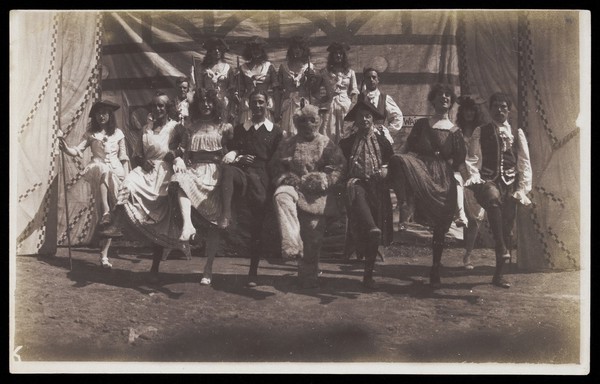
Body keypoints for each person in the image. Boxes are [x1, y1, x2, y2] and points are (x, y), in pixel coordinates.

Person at [387, 83, 466, 288]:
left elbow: (459, 160)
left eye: (448, 96)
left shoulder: (456, 132)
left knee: (440, 226)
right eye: (440, 95)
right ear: (433, 100)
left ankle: (436, 267)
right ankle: (405, 203)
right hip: (421, 168)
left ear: (451, 102)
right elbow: (407, 147)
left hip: (442, 177)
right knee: (397, 160)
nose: (444, 98)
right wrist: (398, 161)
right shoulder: (422, 124)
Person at [270, 103, 346, 289]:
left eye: (312, 120)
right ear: (297, 122)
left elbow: (339, 167)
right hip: (294, 187)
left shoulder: (326, 143)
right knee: (281, 196)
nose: (308, 125)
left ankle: (308, 276)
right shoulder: (288, 143)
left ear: (318, 122)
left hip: (315, 196)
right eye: (303, 121)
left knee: (313, 235)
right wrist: (285, 177)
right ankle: (291, 245)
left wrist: (324, 179)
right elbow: (275, 166)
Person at [464, 92, 532, 288]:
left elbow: (524, 162)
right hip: (488, 179)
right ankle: (501, 247)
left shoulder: (517, 133)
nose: (499, 110)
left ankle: (499, 275)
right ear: (490, 108)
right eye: (496, 106)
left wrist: (522, 188)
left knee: (507, 228)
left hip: (509, 184)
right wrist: (475, 177)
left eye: (503, 107)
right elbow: (472, 158)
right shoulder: (481, 131)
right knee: (492, 199)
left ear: (509, 110)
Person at [169, 88, 234, 285]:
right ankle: (188, 225)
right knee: (179, 179)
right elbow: (175, 148)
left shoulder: (224, 127)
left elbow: (234, 146)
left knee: (214, 224)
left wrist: (234, 153)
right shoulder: (190, 127)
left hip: (216, 173)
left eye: (210, 102)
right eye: (202, 102)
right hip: (195, 170)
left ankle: (209, 267)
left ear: (215, 104)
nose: (206, 105)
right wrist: (178, 159)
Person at [220, 89, 284, 287]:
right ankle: (226, 213)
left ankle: (253, 271)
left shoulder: (275, 131)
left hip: (262, 174)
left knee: (258, 222)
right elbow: (230, 150)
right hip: (242, 171)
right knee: (228, 172)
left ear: (267, 104)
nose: (257, 106)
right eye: (254, 102)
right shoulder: (240, 129)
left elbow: (277, 160)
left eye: (261, 102)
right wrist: (238, 156)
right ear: (248, 104)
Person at [110, 92, 188, 253]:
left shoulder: (175, 127)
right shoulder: (146, 129)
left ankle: (156, 264)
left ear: (168, 108)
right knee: (127, 183)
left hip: (165, 172)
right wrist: (142, 162)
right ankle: (116, 224)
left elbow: (187, 145)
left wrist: (175, 154)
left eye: (161, 106)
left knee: (161, 216)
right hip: (147, 172)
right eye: (154, 105)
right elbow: (137, 154)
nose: (158, 109)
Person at [58, 100, 130, 268]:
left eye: (105, 112)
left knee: (111, 218)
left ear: (110, 115)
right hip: (98, 172)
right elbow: (77, 151)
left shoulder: (118, 133)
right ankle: (104, 211)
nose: (101, 116)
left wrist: (127, 179)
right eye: (98, 113)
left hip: (117, 173)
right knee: (102, 169)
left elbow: (124, 157)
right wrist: (65, 147)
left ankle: (104, 255)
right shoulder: (91, 133)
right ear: (95, 116)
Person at [338, 99, 394, 289]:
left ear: (373, 119)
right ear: (355, 120)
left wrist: (386, 170)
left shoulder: (383, 142)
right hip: (356, 185)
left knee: (374, 234)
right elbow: (340, 167)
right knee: (371, 228)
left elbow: (390, 164)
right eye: (361, 116)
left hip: (378, 188)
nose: (364, 119)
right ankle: (371, 230)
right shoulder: (346, 143)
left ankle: (368, 275)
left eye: (368, 116)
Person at [455, 94, 486, 269]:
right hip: (459, 172)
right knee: (460, 212)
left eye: (472, 110)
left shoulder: (481, 132)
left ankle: (468, 254)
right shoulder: (456, 131)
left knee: (475, 218)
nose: (469, 113)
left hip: (476, 175)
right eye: (466, 110)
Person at [276, 35, 320, 137]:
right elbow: (278, 89)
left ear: (304, 51)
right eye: (294, 48)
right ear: (291, 50)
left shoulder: (309, 67)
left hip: (303, 105)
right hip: (288, 105)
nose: (297, 50)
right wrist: (277, 111)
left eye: (300, 48)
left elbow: (313, 90)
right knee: (287, 134)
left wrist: (311, 79)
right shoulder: (284, 67)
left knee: (303, 132)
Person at [317, 42, 358, 143]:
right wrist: (322, 99)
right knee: (328, 135)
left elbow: (354, 92)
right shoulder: (324, 72)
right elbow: (314, 90)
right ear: (332, 56)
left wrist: (352, 109)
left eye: (341, 53)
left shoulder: (350, 72)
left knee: (345, 136)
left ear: (344, 56)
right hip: (329, 108)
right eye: (335, 53)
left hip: (345, 108)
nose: (338, 55)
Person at [233, 36, 279, 126]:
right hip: (248, 105)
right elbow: (240, 90)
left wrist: (277, 110)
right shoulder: (243, 68)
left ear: (262, 50)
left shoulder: (269, 66)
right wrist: (238, 99)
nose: (255, 51)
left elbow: (276, 90)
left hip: (263, 104)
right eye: (252, 49)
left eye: (258, 49)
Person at [192, 37, 235, 123]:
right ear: (209, 51)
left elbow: (231, 88)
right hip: (208, 103)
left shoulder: (228, 68)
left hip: (224, 102)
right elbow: (199, 87)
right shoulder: (202, 68)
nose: (217, 51)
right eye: (214, 49)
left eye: (219, 49)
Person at [358, 67, 403, 143]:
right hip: (361, 138)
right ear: (365, 80)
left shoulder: (385, 98)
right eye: (368, 78)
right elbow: (349, 120)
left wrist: (386, 130)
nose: (371, 80)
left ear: (378, 79)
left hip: (379, 138)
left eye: (374, 77)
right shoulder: (358, 98)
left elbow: (398, 116)